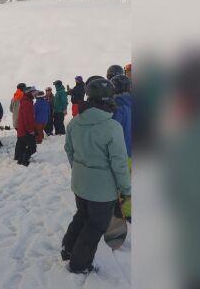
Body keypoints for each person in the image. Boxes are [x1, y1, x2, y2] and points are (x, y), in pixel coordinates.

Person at [61, 78, 131, 274]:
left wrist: (79, 169)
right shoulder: (111, 127)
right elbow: (119, 163)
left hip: (80, 183)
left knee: (82, 215)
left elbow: (69, 150)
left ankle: (67, 248)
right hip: (102, 190)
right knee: (96, 225)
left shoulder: (75, 122)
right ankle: (79, 264)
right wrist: (126, 188)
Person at [111, 74, 132, 221]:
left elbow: (112, 130)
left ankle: (126, 213)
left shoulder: (117, 107)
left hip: (123, 153)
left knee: (122, 184)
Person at [14, 87, 36, 166]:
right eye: (33, 92)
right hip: (26, 130)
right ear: (29, 93)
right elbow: (27, 118)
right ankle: (25, 161)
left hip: (22, 130)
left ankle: (20, 160)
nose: (35, 93)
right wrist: (30, 130)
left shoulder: (26, 101)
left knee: (22, 146)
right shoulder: (27, 103)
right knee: (32, 147)